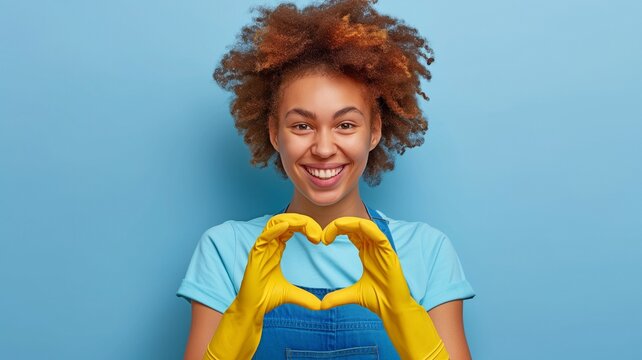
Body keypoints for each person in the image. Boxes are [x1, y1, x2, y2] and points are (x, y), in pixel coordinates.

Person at [176, 0, 476, 358]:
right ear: (274, 134)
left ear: (375, 131)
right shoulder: (227, 250)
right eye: (302, 125)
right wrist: (239, 322)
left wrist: (413, 330)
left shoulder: (427, 252)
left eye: (345, 125)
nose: (322, 148)